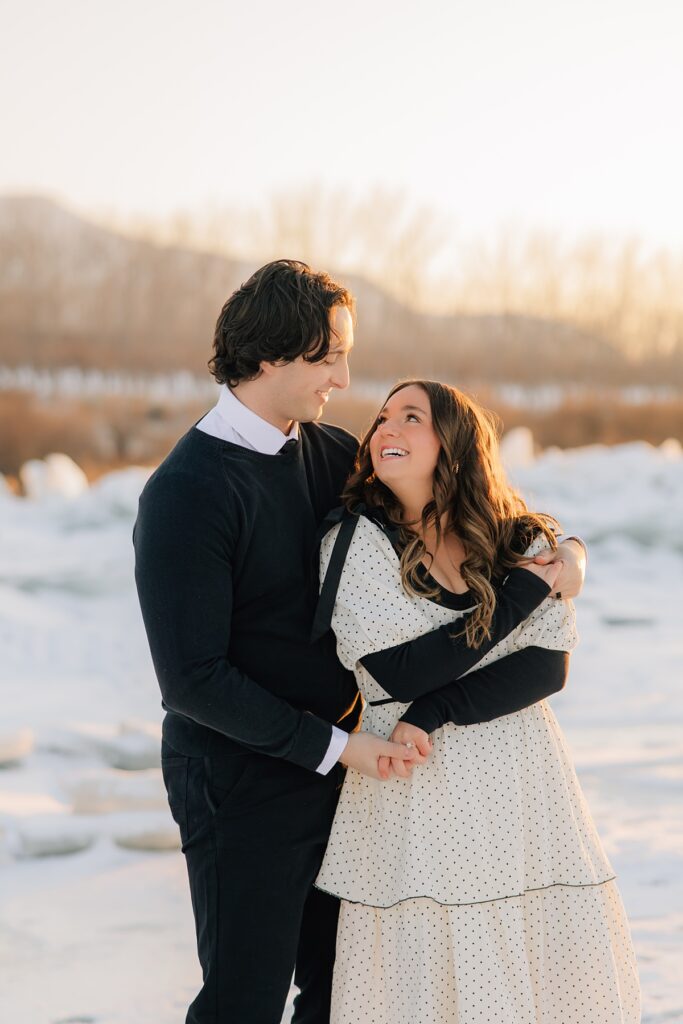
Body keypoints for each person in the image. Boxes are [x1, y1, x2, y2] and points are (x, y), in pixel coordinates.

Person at [133, 261, 587, 1024]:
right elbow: (192, 679)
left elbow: (458, 499)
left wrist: (566, 550)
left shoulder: (327, 450)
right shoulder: (187, 491)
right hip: (242, 778)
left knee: (344, 991)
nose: (344, 379)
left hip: (349, 767)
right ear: (271, 356)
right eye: (327, 357)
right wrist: (336, 747)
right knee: (245, 998)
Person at [314, 379, 641, 1023]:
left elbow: (546, 668)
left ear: (455, 444)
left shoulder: (513, 536)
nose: (386, 429)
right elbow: (403, 671)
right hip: (418, 788)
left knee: (525, 974)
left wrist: (439, 708)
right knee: (424, 985)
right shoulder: (354, 542)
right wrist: (523, 592)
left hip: (520, 781)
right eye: (382, 419)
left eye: (412, 417)